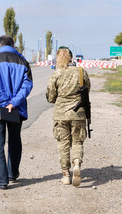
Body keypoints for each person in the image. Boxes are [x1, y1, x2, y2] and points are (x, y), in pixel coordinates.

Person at [0, 35, 33, 190]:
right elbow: (27, 85)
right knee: (15, 140)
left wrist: (4, 103)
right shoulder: (23, 62)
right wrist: (13, 103)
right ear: (13, 45)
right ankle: (12, 173)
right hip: (16, 109)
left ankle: (2, 181)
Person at [46, 46, 90, 187]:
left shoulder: (56, 74)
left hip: (60, 115)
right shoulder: (82, 72)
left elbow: (51, 97)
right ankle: (77, 162)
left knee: (63, 144)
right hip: (78, 114)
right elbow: (87, 90)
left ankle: (65, 175)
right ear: (71, 57)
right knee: (77, 142)